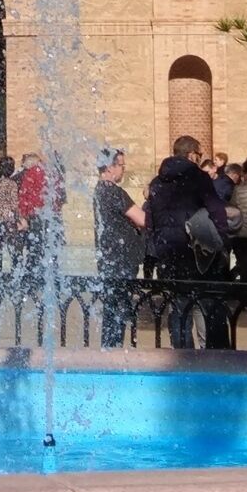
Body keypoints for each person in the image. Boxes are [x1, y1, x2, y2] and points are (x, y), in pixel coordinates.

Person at [144, 135, 230, 348]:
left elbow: (150, 220)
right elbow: (216, 210)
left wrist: (157, 247)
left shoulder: (157, 182)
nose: (200, 158)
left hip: (167, 252)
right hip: (196, 250)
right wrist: (221, 239)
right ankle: (215, 355)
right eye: (199, 154)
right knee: (208, 303)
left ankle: (182, 356)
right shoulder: (199, 178)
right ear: (191, 154)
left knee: (178, 306)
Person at [92, 151, 147, 346]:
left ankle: (109, 349)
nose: (124, 169)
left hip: (109, 255)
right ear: (109, 168)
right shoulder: (114, 192)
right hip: (121, 258)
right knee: (119, 307)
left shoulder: (99, 190)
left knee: (112, 307)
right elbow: (143, 219)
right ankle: (113, 350)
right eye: (122, 165)